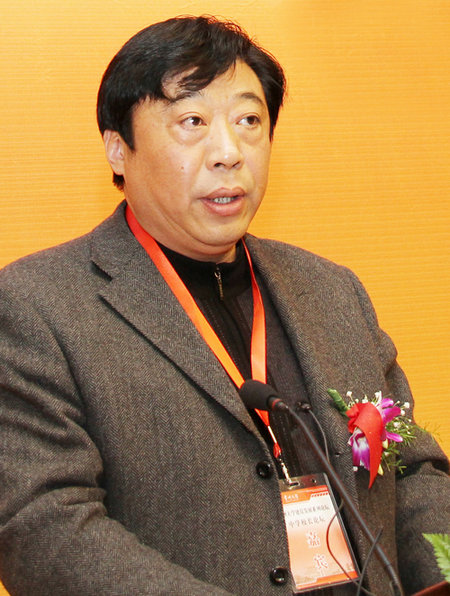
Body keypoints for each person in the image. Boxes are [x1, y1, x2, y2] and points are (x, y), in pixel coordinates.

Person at [0, 15, 448, 596]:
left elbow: (411, 471)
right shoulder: (37, 307)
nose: (229, 152)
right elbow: (43, 530)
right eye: (192, 122)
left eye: (249, 121)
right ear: (118, 148)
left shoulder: (332, 291)